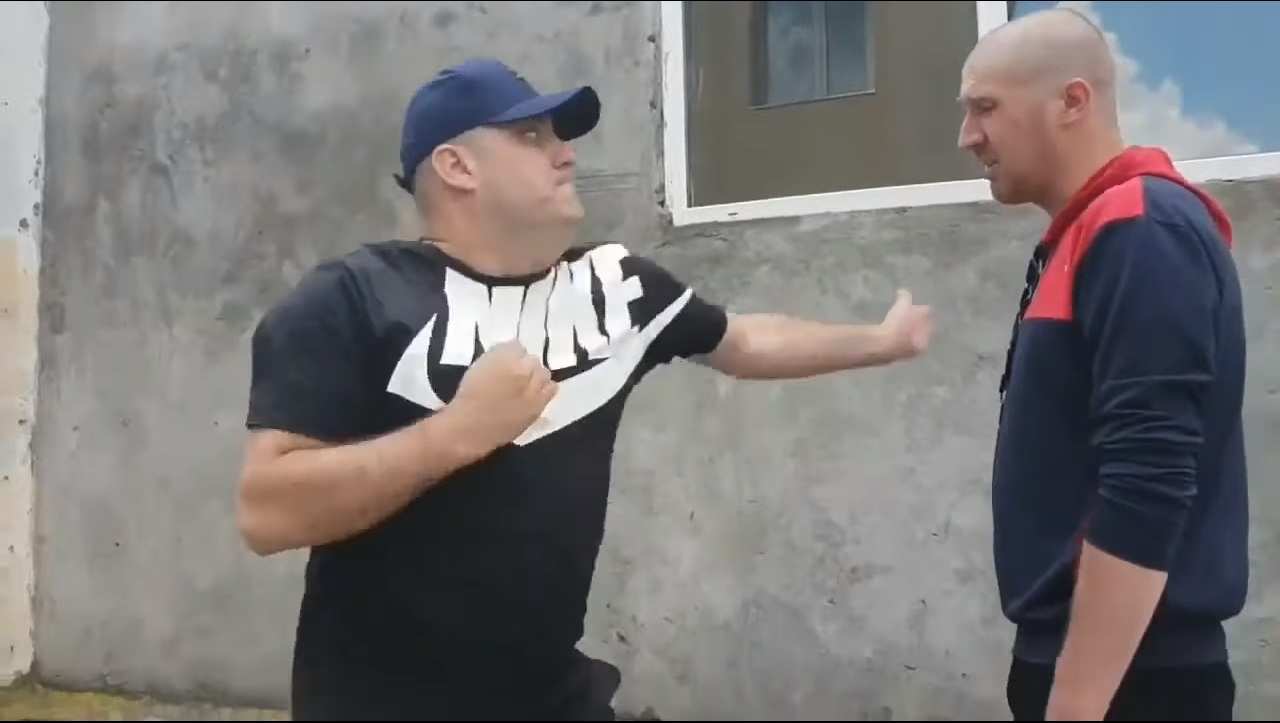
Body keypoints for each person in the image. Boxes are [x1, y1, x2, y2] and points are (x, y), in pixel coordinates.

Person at [236, 57, 933, 721]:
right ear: (457, 167)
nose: (565, 155)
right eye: (531, 137)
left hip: (553, 698)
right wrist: (454, 435)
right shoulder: (352, 298)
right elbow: (267, 512)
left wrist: (880, 341)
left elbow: (743, 341)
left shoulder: (614, 288)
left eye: (560, 137)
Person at [957, 8, 1248, 721]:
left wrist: (1079, 701)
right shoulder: (1087, 233)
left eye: (985, 107)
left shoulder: (1141, 227)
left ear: (1072, 101)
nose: (967, 136)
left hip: (1134, 682)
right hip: (1088, 667)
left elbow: (1149, 477)